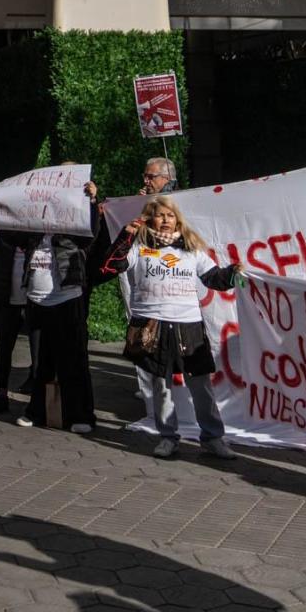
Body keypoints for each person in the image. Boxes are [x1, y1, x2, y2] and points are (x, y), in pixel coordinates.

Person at [102, 195, 242, 461]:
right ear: (149, 218)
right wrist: (125, 236)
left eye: (170, 215)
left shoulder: (191, 248)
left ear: (177, 219)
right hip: (151, 326)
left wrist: (233, 272)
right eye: (159, 215)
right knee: (160, 386)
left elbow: (215, 279)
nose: (165, 220)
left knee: (200, 386)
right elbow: (111, 266)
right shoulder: (139, 247)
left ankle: (213, 438)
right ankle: (168, 438)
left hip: (187, 325)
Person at [0, 200, 96, 431]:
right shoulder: (33, 235)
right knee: (42, 363)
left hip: (66, 300)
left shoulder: (72, 233)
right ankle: (38, 411)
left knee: (72, 360)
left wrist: (92, 203)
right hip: (37, 301)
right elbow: (9, 235)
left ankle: (80, 416)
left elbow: (92, 232)